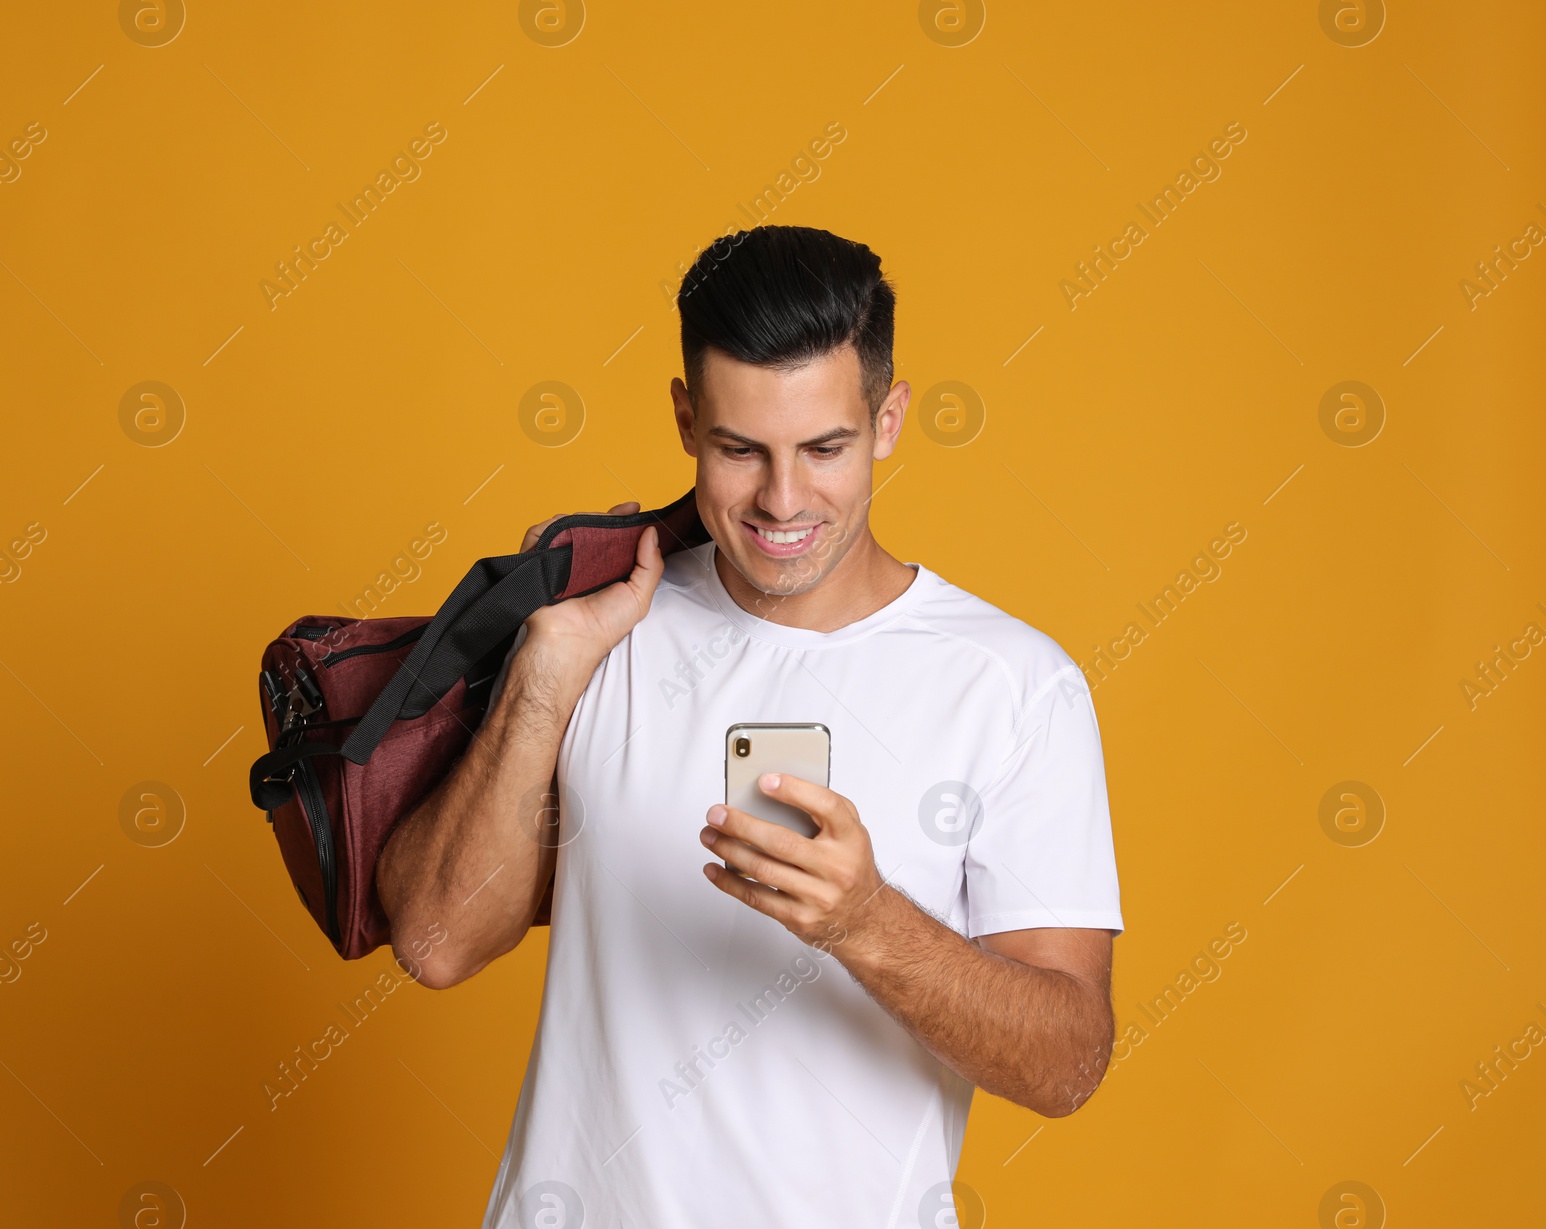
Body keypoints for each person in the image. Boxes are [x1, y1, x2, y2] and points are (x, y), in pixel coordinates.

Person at [376, 225, 1123, 1228]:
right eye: (739, 449)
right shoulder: (602, 628)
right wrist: (543, 676)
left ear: (889, 419)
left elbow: (1068, 1061)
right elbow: (434, 939)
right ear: (686, 419)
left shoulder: (1015, 685)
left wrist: (868, 922)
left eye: (825, 447)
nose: (781, 499)